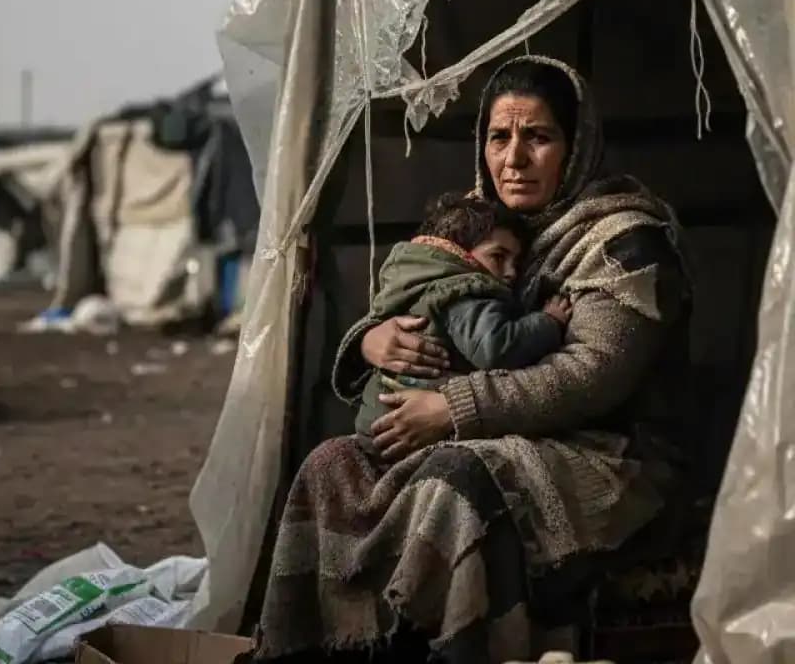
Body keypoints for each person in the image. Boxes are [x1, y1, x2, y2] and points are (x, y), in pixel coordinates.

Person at [256, 56, 692, 664]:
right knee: (333, 465)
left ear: (577, 145)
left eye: (537, 137)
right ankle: (322, 651)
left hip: (607, 449)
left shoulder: (622, 239)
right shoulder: (478, 223)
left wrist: (455, 407)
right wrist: (370, 338)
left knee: (460, 480)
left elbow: (595, 375)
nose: (513, 159)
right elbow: (417, 293)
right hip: (496, 429)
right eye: (498, 137)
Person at [354, 193, 572, 450]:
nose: (511, 272)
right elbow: (497, 348)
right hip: (415, 426)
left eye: (516, 263)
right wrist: (549, 321)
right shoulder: (464, 290)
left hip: (376, 420)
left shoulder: (413, 280)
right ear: (458, 251)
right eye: (498, 257)